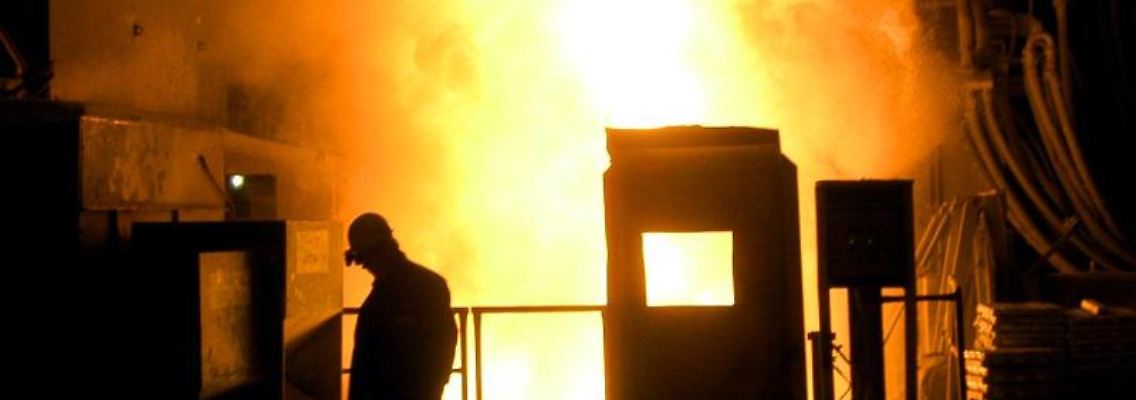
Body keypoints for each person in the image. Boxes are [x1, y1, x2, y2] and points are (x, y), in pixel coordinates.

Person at [346, 213, 456, 400]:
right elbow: (446, 341)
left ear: (378, 251)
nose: (364, 266)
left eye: (363, 259)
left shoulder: (379, 302)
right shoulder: (431, 284)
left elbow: (365, 368)